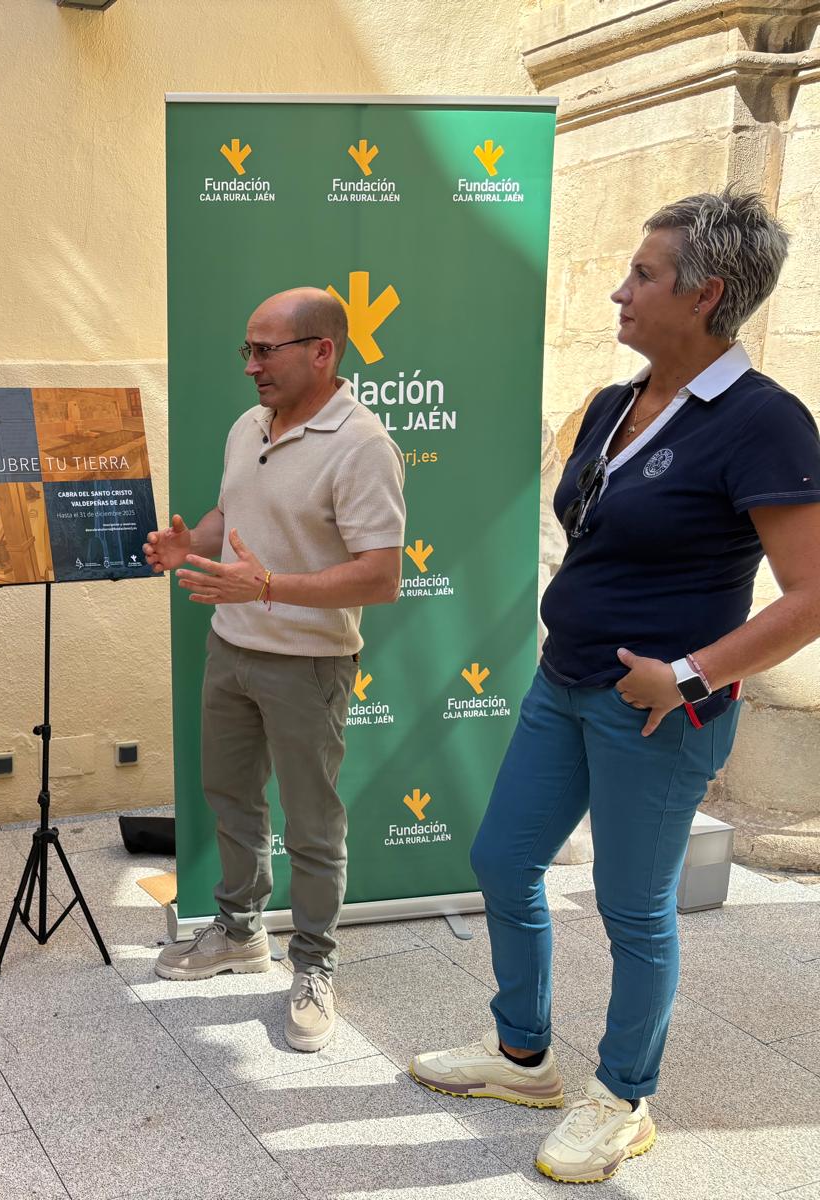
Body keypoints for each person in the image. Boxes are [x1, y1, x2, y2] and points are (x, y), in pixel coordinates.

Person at [409, 189, 820, 1185]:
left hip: (660, 713)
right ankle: (521, 1058)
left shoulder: (763, 423)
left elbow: (810, 595)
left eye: (641, 275)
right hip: (564, 683)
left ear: (707, 292)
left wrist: (685, 676)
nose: (617, 291)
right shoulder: (608, 404)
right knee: (503, 860)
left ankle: (624, 1099)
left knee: (631, 907)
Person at [144, 287, 405, 1052]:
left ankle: (315, 966)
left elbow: (381, 577)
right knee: (230, 797)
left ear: (322, 352)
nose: (251, 366)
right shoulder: (247, 426)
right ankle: (237, 932)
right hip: (231, 649)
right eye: (247, 350)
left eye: (266, 351)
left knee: (312, 825)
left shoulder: (362, 445)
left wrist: (266, 587)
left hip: (310, 664)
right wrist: (191, 546)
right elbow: (235, 519)